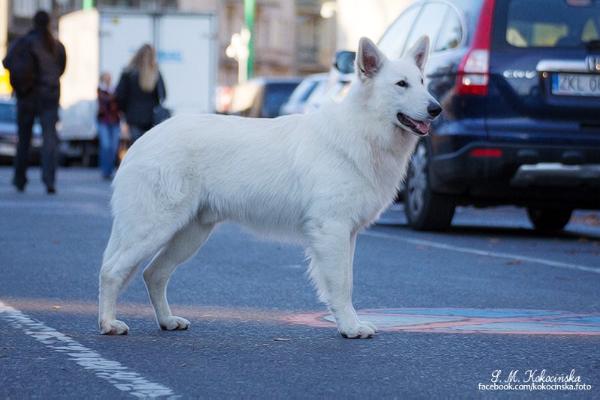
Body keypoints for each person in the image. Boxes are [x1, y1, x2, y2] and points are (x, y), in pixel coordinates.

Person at [2, 10, 66, 194]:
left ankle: (20, 179)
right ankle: (49, 180)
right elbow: (61, 69)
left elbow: (6, 62)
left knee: (24, 139)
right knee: (49, 140)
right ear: (48, 23)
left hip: (26, 96)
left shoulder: (23, 42)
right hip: (49, 96)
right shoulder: (56, 46)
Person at [115, 44, 166, 144]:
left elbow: (120, 96)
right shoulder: (155, 73)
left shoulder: (127, 72)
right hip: (151, 119)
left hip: (133, 118)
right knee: (149, 148)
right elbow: (163, 95)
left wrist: (124, 111)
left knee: (136, 147)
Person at [97, 72, 120, 180]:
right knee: (106, 145)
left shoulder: (114, 89)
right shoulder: (101, 89)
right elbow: (105, 100)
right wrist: (114, 96)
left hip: (115, 121)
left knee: (114, 147)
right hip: (104, 121)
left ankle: (110, 169)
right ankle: (105, 170)